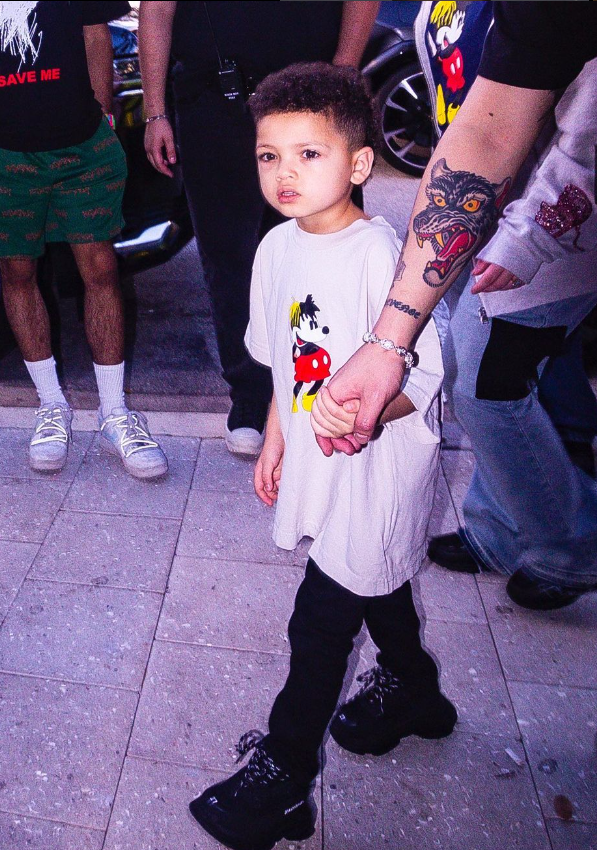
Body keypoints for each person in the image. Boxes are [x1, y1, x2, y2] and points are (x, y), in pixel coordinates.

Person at [188, 63, 456, 850]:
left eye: (310, 154)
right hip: (319, 465)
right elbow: (284, 360)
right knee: (374, 582)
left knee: (319, 624)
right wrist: (277, 437)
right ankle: (414, 691)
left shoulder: (380, 257)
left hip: (376, 472)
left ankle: (283, 778)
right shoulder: (275, 248)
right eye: (269, 155)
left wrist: (365, 411)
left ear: (359, 163)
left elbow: (423, 380)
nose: (285, 172)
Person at [312, 1, 597, 611]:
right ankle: (500, 530)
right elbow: (479, 122)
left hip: (550, 227)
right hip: (489, 216)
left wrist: (529, 235)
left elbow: (551, 130)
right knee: (501, 374)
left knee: (482, 383)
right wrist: (391, 340)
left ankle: (574, 544)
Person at [139, 0, 379, 456]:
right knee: (228, 258)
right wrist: (155, 113)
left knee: (325, 247)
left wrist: (343, 73)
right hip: (213, 100)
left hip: (312, 99)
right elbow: (156, 9)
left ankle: (327, 392)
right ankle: (250, 399)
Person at [0, 0, 168, 479]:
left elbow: (96, 34)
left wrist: (103, 118)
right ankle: (51, 405)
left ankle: (115, 412)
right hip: (2, 152)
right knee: (17, 271)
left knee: (101, 269)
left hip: (82, 144)